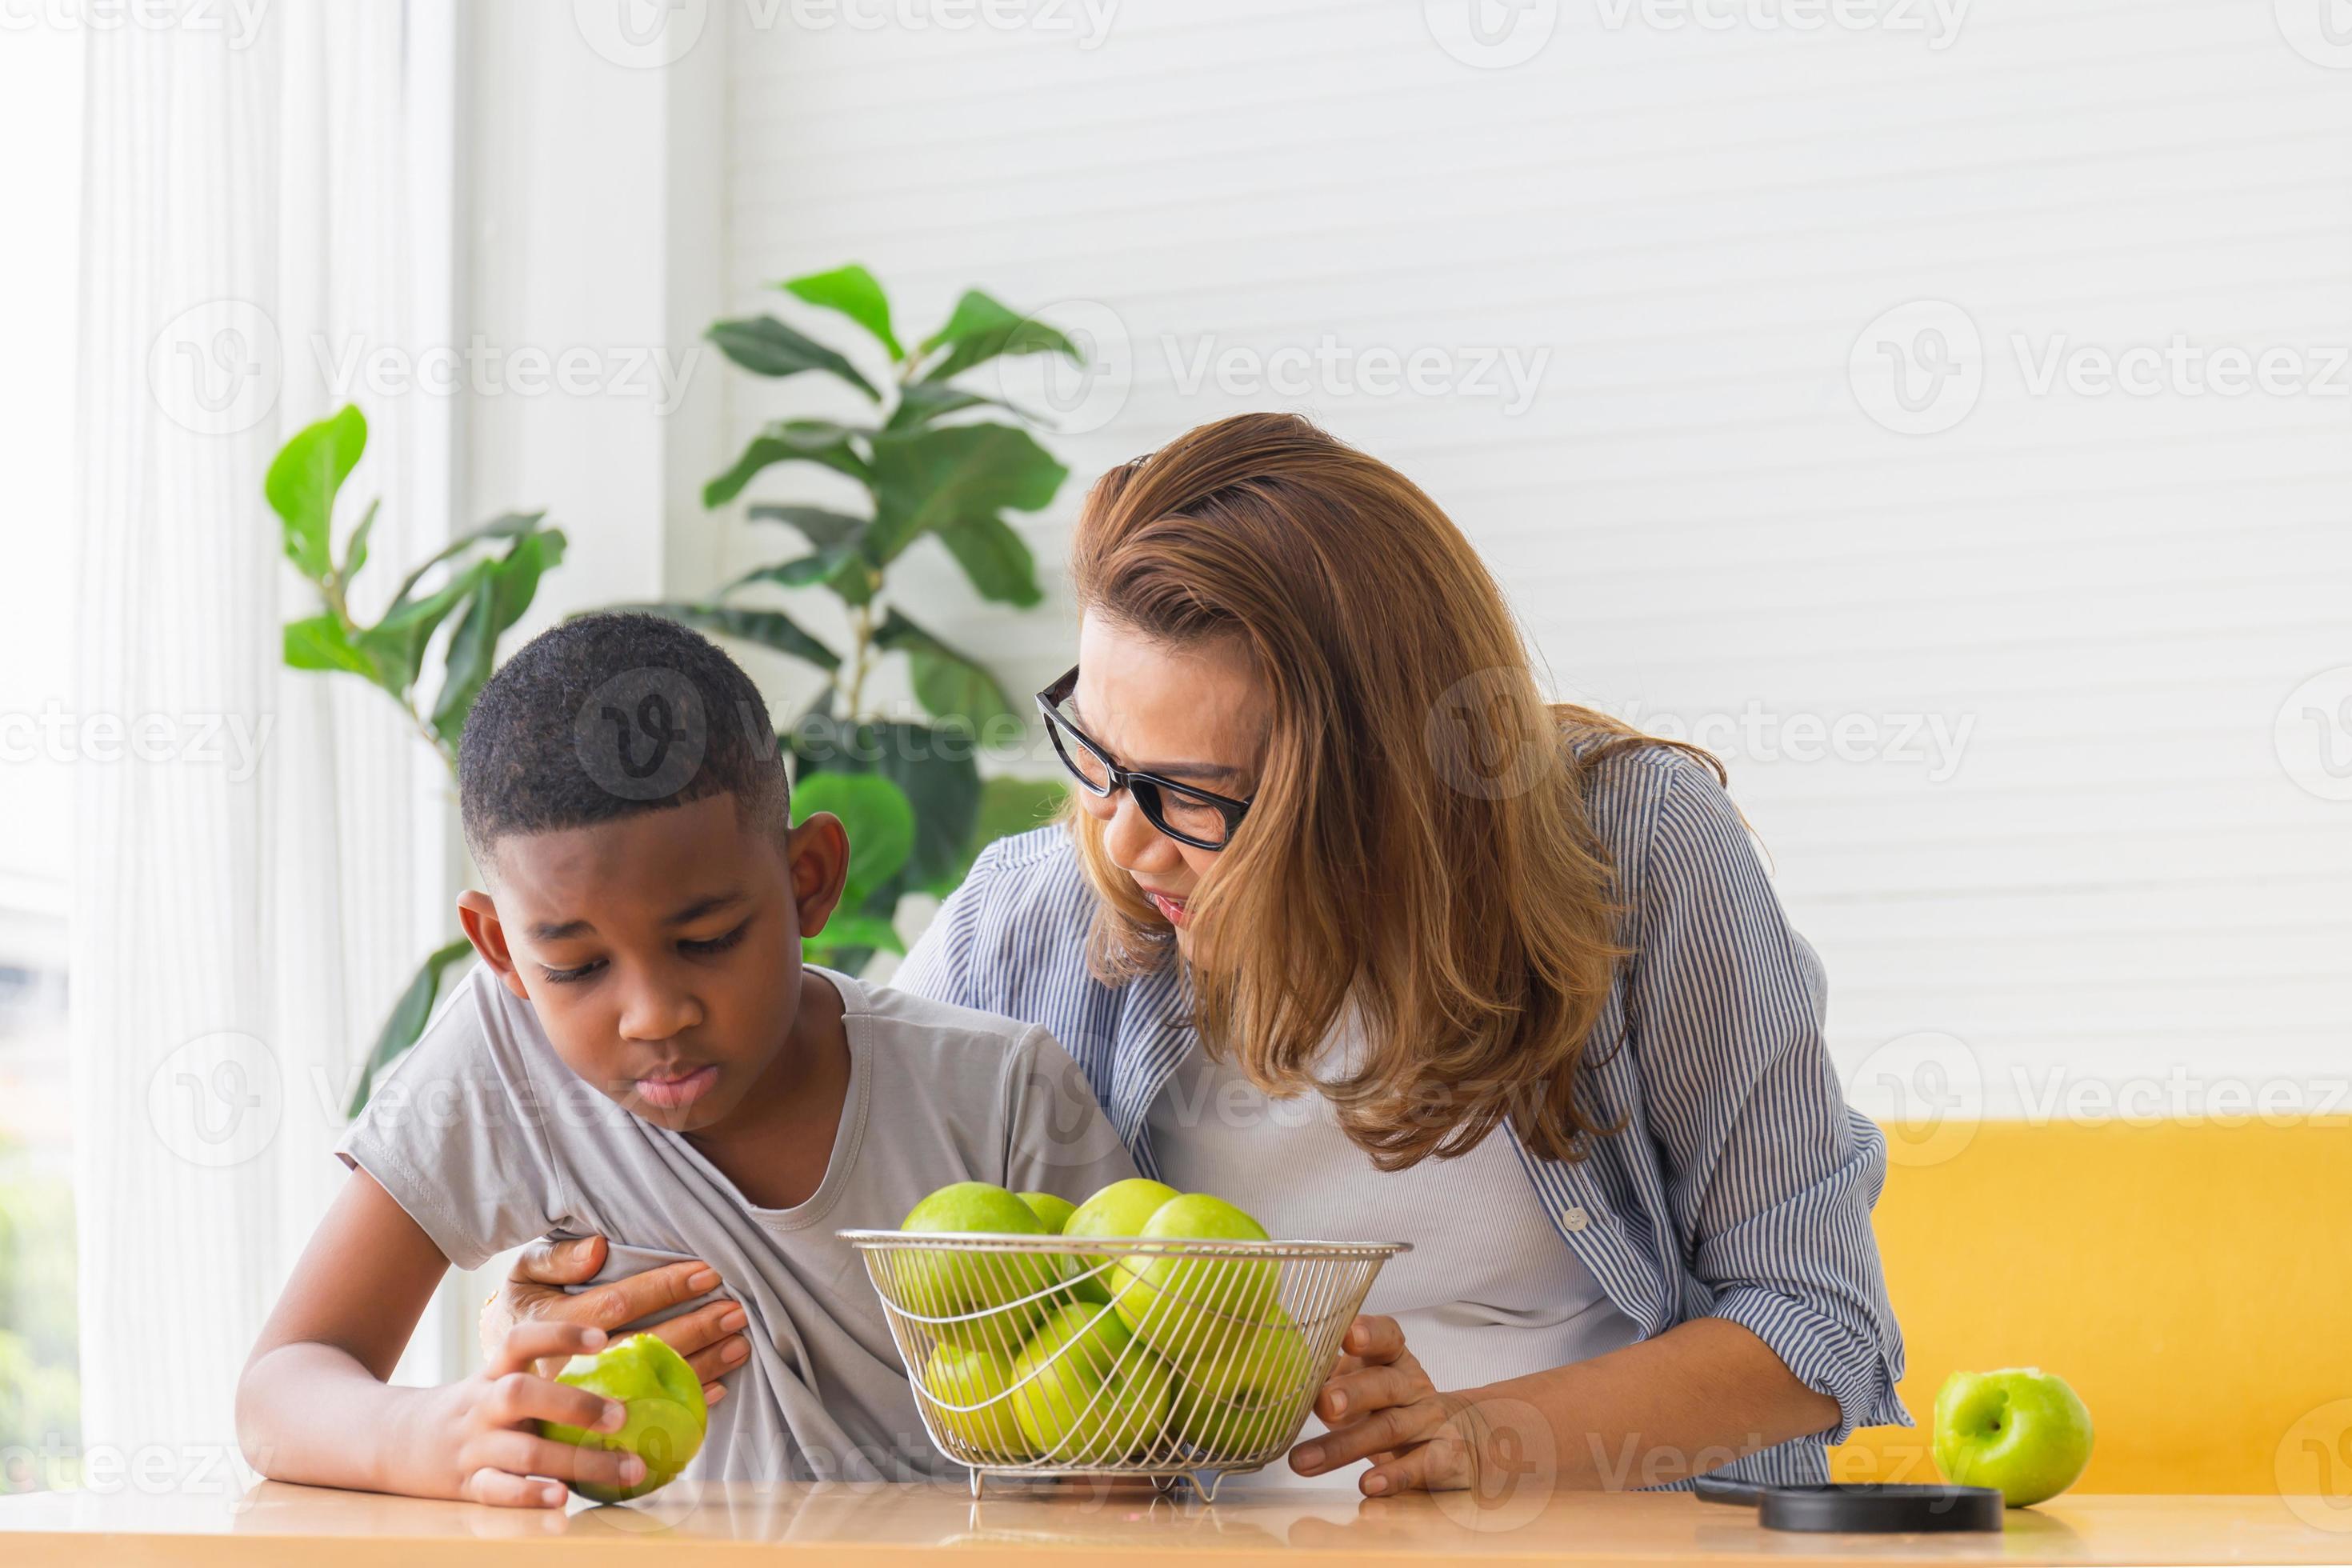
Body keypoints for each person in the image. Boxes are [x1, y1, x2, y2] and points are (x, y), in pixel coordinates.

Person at [487, 414, 1908, 1497]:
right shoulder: (1037, 910)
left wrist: (1489, 1442)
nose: (1122, 838)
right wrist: (584, 1297)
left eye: (1195, 796)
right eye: (1094, 750)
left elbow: (1816, 1317)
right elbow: (831, 1213)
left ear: (1376, 785)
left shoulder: (1636, 852)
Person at [235, 613, 1134, 1507]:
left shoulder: (1000, 1096)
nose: (654, 1013)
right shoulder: (508, 1058)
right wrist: (440, 1434)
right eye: (579, 966)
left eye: (707, 939)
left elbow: (1147, 1419)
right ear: (501, 950)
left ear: (809, 879)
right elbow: (282, 1383)